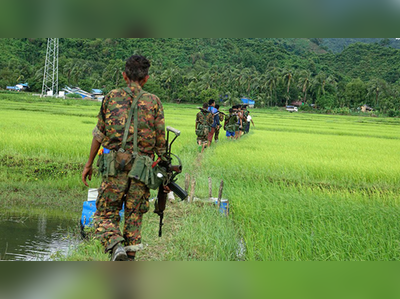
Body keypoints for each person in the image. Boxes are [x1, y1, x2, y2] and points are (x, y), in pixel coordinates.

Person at [81, 55, 166, 261]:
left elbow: (99, 134)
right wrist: (165, 175)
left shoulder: (110, 97)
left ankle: (115, 245)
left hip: (114, 169)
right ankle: (127, 262)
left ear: (124, 75)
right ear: (146, 79)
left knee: (103, 214)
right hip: (142, 171)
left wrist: (89, 164)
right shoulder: (154, 102)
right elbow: (161, 143)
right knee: (134, 218)